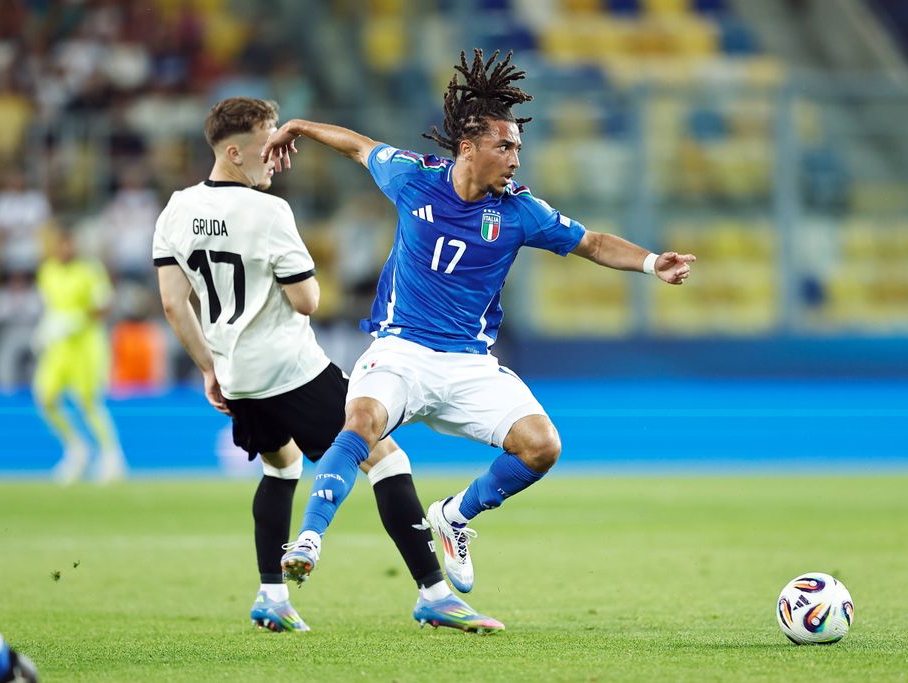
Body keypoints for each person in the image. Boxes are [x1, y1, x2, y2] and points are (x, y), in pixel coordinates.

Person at [266, 50, 695, 600]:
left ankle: (455, 516)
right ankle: (308, 540)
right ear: (468, 148)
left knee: (542, 446)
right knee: (361, 422)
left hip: (469, 363)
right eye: (505, 146)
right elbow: (358, 145)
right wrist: (300, 126)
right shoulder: (412, 178)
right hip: (401, 350)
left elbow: (591, 243)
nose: (516, 158)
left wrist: (652, 262)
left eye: (518, 147)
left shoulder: (520, 211)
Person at [152, 96, 501, 633]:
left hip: (236, 374)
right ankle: (434, 593)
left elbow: (174, 304)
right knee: (385, 458)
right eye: (269, 144)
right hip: (289, 368)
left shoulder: (177, 209)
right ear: (235, 152)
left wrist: (208, 368)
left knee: (281, 466)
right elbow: (307, 301)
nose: (279, 156)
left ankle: (272, 595)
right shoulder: (269, 212)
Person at [33, 227, 127, 484]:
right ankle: (76, 448)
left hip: (86, 344)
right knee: (46, 398)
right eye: (60, 244)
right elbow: (50, 306)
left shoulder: (89, 270)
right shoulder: (47, 271)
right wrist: (47, 327)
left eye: (68, 243)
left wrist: (76, 319)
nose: (64, 249)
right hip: (58, 347)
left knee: (88, 402)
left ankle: (111, 455)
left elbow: (105, 305)